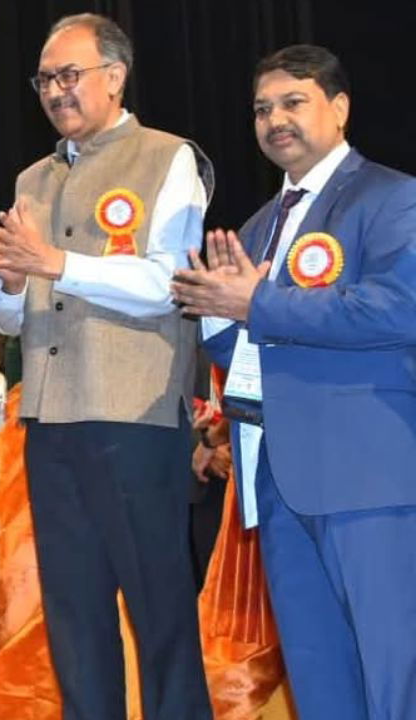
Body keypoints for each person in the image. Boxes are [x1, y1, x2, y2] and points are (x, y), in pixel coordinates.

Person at [0, 13, 214, 719]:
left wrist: (53, 263)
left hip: (134, 415)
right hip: (52, 420)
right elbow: (10, 322)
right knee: (73, 616)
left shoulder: (170, 159)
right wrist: (12, 283)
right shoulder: (32, 178)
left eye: (68, 75)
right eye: (44, 79)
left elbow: (172, 282)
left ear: (115, 75)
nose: (54, 91)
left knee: (160, 608)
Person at [172, 44, 416, 720]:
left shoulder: (393, 198)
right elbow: (243, 347)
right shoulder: (256, 227)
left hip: (371, 481)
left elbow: (401, 308)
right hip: (277, 484)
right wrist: (212, 310)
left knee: (397, 673)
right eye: (261, 108)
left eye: (293, 102)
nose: (275, 118)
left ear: (339, 109)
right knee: (319, 676)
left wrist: (256, 303)